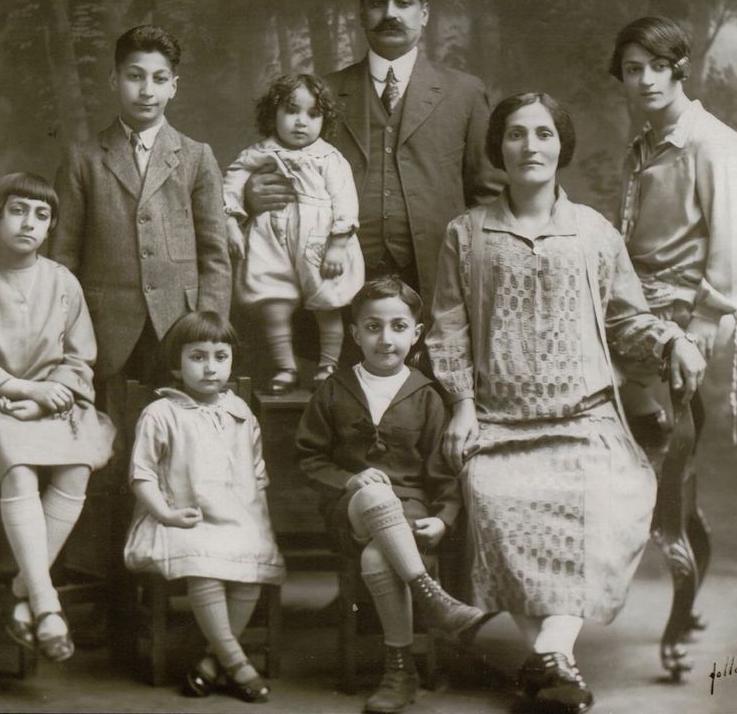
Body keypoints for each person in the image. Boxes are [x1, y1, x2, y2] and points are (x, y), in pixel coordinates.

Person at [425, 93, 707, 714]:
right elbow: (447, 328)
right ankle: (557, 664)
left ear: (561, 146)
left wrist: (674, 338)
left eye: (544, 134)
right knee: (497, 504)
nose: (530, 146)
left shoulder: (595, 234)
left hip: (585, 421)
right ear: (499, 147)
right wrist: (465, 405)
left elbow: (629, 321)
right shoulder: (466, 233)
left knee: (612, 500)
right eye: (517, 134)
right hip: (499, 423)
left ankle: (548, 658)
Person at [244, 0, 501, 320]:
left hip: (436, 275)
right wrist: (252, 193)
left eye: (404, 2)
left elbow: (488, 193)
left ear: (424, 13)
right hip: (337, 272)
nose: (390, 13)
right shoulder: (321, 95)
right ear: (361, 13)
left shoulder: (464, 92)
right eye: (377, 2)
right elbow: (278, 171)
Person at [0, 173, 116, 662]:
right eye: (17, 210)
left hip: (53, 404)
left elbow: (80, 360)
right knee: (16, 462)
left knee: (78, 462)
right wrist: (21, 389)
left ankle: (25, 592)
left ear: (51, 226)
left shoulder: (62, 282)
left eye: (41, 215)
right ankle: (46, 602)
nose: (28, 223)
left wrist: (43, 398)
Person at [297, 275, 486, 714]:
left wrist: (444, 518)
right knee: (373, 494)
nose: (386, 339)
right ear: (355, 332)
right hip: (350, 514)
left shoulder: (427, 396)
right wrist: (349, 480)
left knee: (377, 559)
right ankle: (431, 596)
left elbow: (443, 473)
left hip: (411, 516)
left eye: (399, 327)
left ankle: (399, 670)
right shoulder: (333, 389)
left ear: (416, 334)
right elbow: (310, 459)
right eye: (373, 327)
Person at [50, 24, 230, 419]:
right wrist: (66, 335)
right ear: (115, 80)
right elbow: (63, 259)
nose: (147, 90)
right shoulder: (84, 158)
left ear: (174, 87)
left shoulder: (197, 157)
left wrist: (208, 333)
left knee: (178, 432)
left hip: (179, 327)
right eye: (135, 76)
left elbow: (215, 255)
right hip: (103, 328)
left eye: (159, 78)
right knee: (112, 433)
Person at [609, 16, 737, 446]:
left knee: (580, 363)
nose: (645, 80)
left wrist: (707, 317)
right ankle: (649, 449)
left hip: (685, 304)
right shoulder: (644, 145)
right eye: (633, 69)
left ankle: (659, 452)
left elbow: (734, 240)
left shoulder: (714, 141)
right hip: (639, 295)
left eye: (658, 66)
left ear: (680, 68)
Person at [124, 311, 285, 703]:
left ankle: (212, 662)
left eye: (220, 356)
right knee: (205, 568)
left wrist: (257, 523)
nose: (210, 367)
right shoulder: (161, 413)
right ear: (176, 366)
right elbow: (141, 474)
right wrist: (165, 513)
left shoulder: (240, 413)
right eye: (197, 357)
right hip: (180, 518)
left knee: (250, 562)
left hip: (235, 517)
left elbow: (257, 474)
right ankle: (237, 663)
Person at [224, 73, 364, 394]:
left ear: (324, 119)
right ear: (272, 113)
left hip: (318, 240)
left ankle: (328, 365)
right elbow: (231, 184)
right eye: (291, 111)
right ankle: (286, 366)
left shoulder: (329, 158)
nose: (301, 122)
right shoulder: (259, 152)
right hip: (270, 237)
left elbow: (345, 202)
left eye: (312, 114)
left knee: (326, 302)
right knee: (273, 302)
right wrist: (231, 222)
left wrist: (338, 245)